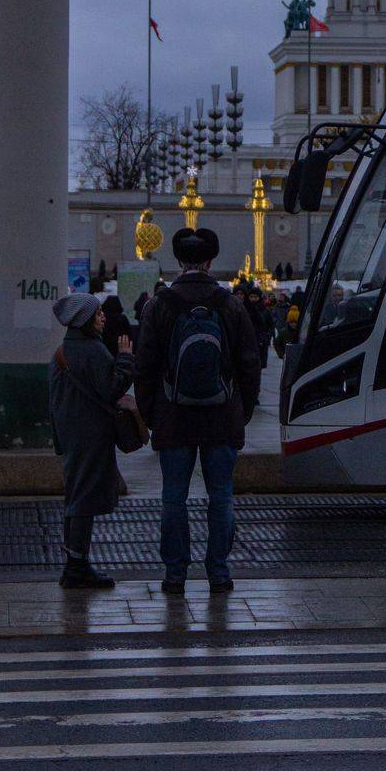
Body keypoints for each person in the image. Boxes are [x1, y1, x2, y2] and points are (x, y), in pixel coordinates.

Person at [134, 227, 261, 596]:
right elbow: (249, 363)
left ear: (178, 260)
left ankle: (176, 574)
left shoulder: (159, 305)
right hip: (222, 416)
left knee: (174, 496)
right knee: (221, 496)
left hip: (173, 418)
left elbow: (144, 366)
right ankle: (218, 572)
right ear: (210, 260)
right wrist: (241, 411)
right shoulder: (231, 305)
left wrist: (152, 414)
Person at [49, 293, 137, 590]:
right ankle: (78, 565)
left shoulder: (62, 351)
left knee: (75, 495)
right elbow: (112, 387)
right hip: (91, 433)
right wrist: (125, 359)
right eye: (98, 313)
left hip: (72, 433)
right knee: (84, 499)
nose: (103, 317)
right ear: (85, 319)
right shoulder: (92, 349)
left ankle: (74, 562)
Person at [243, 285, 274, 368]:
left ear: (259, 297)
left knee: (258, 366)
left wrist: (267, 337)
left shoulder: (265, 310)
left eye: (255, 297)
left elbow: (270, 325)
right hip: (246, 341)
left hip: (260, 342)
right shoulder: (245, 309)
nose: (253, 299)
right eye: (251, 297)